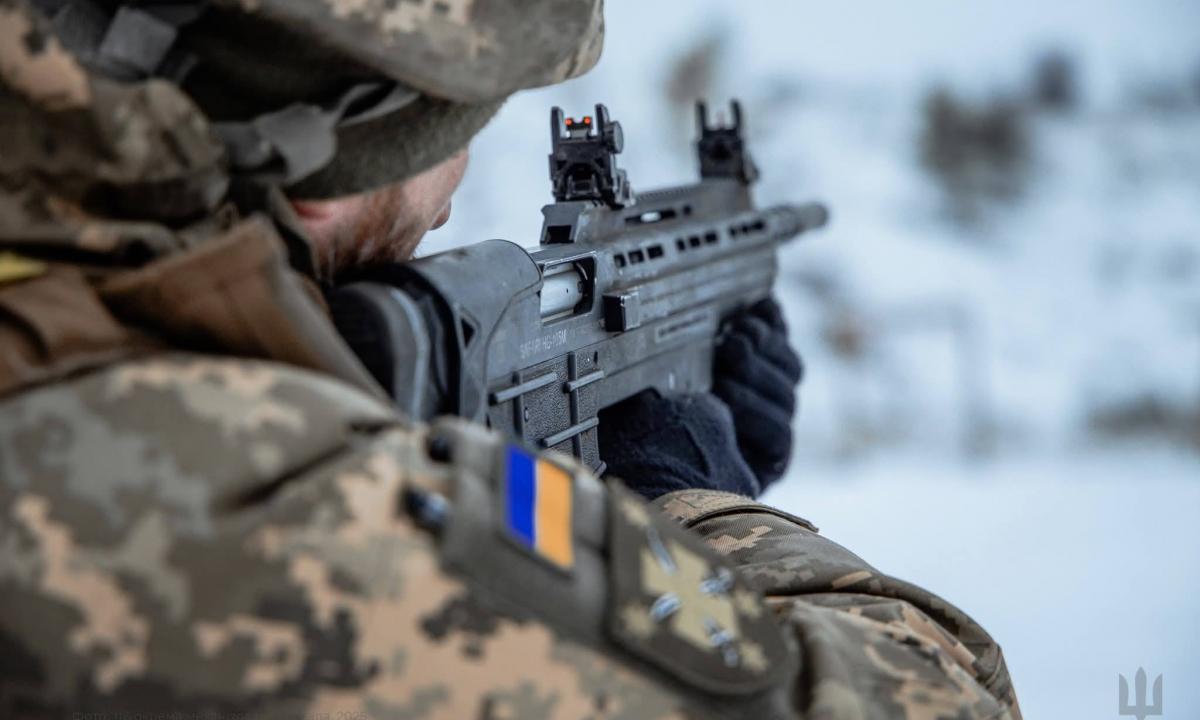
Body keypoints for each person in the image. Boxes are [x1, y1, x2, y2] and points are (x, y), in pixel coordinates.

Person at [0, 0, 1021, 717]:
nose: (450, 199)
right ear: (323, 178)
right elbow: (947, 695)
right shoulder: (275, 513)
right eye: (454, 136)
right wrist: (700, 514)